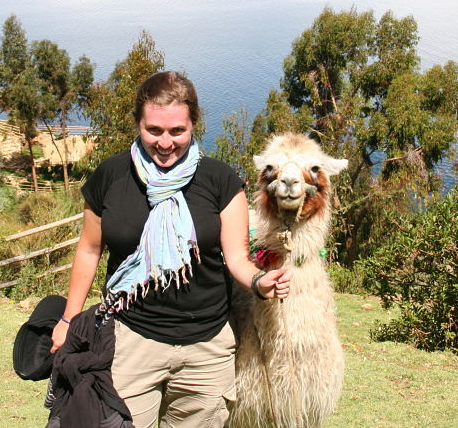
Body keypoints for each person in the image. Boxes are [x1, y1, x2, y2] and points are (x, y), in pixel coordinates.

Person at [50, 71, 291, 428]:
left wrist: (259, 282)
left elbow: (237, 257)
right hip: (130, 340)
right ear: (138, 123)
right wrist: (68, 319)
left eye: (178, 131)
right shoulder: (111, 176)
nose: (165, 143)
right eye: (154, 130)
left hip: (206, 349)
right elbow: (89, 250)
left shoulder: (220, 180)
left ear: (194, 124)